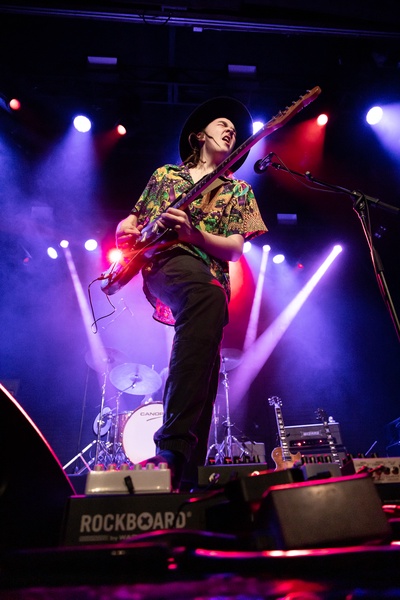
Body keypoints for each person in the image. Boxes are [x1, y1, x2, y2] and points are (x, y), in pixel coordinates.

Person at [115, 97, 268, 490]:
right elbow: (134, 218)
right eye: (222, 124)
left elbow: (234, 250)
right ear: (199, 136)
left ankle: (185, 478)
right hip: (167, 263)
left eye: (234, 129)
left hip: (210, 274)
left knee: (207, 367)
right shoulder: (166, 175)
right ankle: (170, 447)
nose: (230, 129)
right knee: (207, 298)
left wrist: (195, 234)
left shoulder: (239, 190)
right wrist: (123, 228)